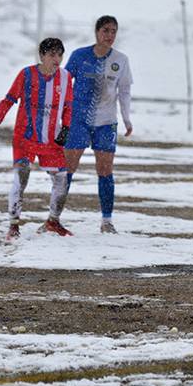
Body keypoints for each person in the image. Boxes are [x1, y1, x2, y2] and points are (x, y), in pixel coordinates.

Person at [0, 38, 74, 240]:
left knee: (61, 179)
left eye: (60, 54)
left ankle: (53, 221)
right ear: (42, 56)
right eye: (52, 54)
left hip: (51, 141)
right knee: (21, 176)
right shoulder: (26, 75)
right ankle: (14, 226)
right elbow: (9, 99)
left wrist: (66, 128)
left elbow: (68, 106)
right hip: (25, 138)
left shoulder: (65, 77)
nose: (57, 59)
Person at [63, 15, 133, 234]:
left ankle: (106, 220)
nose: (109, 35)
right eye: (105, 30)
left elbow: (124, 92)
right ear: (96, 32)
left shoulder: (121, 60)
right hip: (79, 119)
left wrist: (127, 118)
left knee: (105, 170)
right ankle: (54, 217)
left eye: (113, 31)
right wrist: (60, 116)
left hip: (106, 122)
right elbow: (63, 84)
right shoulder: (79, 56)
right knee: (67, 169)